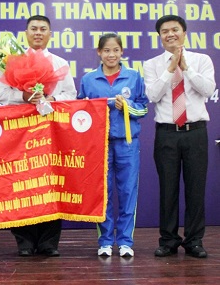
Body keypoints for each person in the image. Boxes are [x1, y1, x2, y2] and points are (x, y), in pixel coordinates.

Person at [0, 15, 76, 257]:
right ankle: (25, 242)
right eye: (33, 29)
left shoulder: (60, 63)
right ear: (26, 33)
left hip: (52, 131)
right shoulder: (12, 61)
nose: (38, 33)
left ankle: (49, 242)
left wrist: (52, 100)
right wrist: (23, 97)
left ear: (50, 34)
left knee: (50, 184)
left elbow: (71, 94)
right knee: (22, 183)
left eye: (43, 29)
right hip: (20, 131)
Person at [143, 15, 215, 259]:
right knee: (168, 189)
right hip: (166, 134)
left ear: (184, 32)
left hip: (195, 132)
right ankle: (169, 240)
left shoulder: (201, 60)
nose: (170, 34)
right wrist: (170, 69)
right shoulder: (152, 64)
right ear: (160, 36)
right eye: (165, 31)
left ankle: (194, 241)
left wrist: (186, 68)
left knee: (196, 189)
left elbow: (207, 89)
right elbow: (152, 95)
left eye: (175, 29)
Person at [78, 33, 148, 257]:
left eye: (115, 50)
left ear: (122, 52)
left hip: (128, 143)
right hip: (98, 144)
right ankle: (105, 241)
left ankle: (126, 241)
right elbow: (80, 112)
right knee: (103, 193)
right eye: (106, 50)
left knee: (128, 192)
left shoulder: (133, 76)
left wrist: (127, 106)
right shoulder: (88, 80)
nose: (111, 54)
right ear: (99, 52)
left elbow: (143, 108)